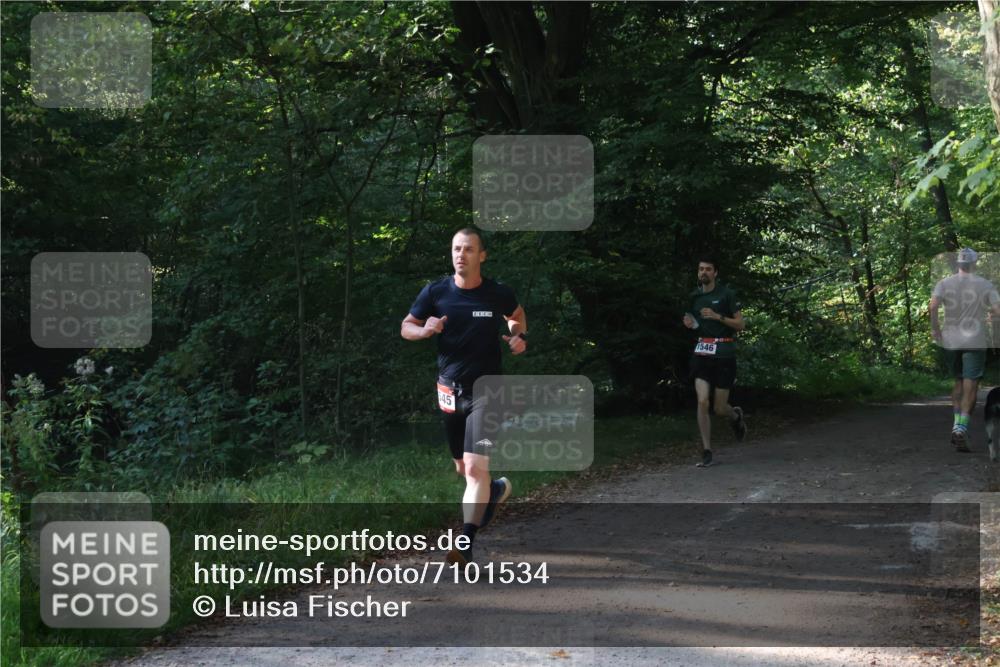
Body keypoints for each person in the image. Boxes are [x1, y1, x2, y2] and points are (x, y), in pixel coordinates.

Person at [401, 227, 527, 565]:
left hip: (488, 392)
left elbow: (516, 317)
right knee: (463, 467)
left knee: (474, 467)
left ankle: (465, 543)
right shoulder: (436, 292)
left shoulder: (497, 292)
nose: (461, 255)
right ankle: (495, 491)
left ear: (481, 255)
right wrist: (424, 330)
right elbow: (406, 326)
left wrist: (518, 336)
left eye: (469, 249)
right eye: (457, 249)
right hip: (449, 392)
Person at [929, 247, 1000, 452]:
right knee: (971, 383)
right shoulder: (985, 285)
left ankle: (956, 425)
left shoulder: (944, 283)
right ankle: (961, 427)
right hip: (975, 340)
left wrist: (936, 330)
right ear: (974, 263)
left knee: (958, 381)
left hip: (950, 339)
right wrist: (991, 316)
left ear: (958, 264)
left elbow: (933, 307)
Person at [682, 256, 747, 467]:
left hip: (724, 352)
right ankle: (707, 450)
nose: (704, 273)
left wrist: (717, 317)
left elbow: (740, 325)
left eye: (708, 269)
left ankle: (735, 416)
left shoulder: (727, 294)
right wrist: (690, 324)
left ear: (715, 273)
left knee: (719, 409)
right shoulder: (693, 297)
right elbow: (695, 324)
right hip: (702, 352)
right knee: (702, 401)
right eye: (701, 269)